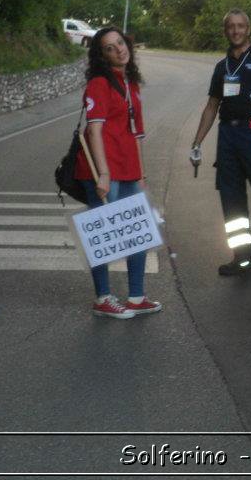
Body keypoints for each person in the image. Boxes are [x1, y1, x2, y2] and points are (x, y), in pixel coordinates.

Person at [74, 27, 161, 319]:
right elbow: (95, 131)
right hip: (104, 170)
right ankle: (103, 298)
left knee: (139, 232)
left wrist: (142, 174)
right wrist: (103, 173)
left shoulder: (130, 83)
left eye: (120, 44)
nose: (118, 50)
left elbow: (136, 135)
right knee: (102, 236)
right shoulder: (99, 83)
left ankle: (136, 296)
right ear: (102, 55)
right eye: (110, 48)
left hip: (127, 168)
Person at [191, 9, 251, 276]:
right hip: (228, 137)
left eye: (240, 26)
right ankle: (243, 259)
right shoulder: (222, 67)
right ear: (226, 31)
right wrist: (197, 142)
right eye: (231, 26)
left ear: (248, 28)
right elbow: (212, 105)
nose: (236, 31)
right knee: (232, 201)